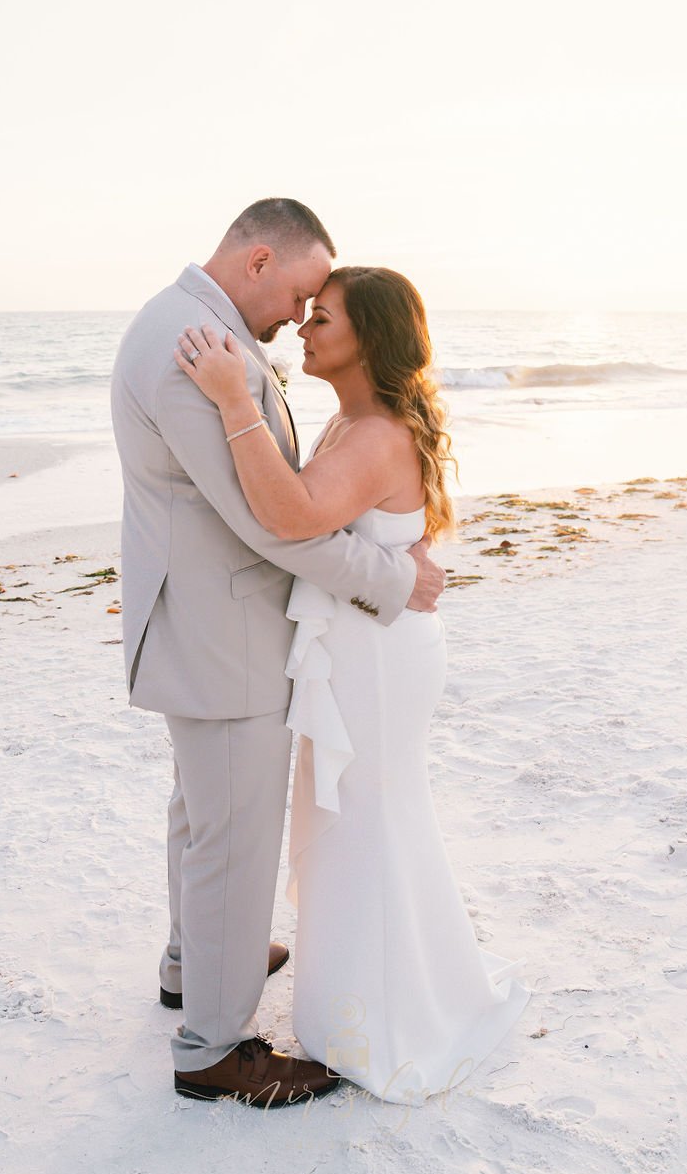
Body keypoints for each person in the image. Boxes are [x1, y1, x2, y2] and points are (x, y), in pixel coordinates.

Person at [109, 199, 445, 1108]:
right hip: (226, 634)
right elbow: (271, 524)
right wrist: (387, 574)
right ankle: (214, 1047)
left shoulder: (190, 325)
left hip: (208, 625)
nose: (299, 316)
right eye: (299, 294)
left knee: (202, 813)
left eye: (317, 308)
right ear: (260, 260)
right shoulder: (194, 348)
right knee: (233, 834)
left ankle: (197, 960)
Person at [174, 264, 531, 1105]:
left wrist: (233, 401)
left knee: (367, 815)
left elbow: (293, 515)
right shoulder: (356, 421)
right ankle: (368, 997)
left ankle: (387, 1014)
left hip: (378, 659)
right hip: (366, 648)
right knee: (359, 815)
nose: (303, 326)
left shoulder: (373, 434)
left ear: (368, 335)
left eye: (322, 316)